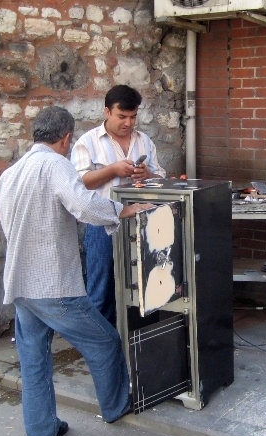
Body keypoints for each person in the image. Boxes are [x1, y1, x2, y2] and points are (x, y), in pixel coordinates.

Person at [0, 106, 153, 436]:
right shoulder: (55, 165)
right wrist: (122, 211)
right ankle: (115, 408)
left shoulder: (12, 172)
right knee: (104, 341)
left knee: (34, 359)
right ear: (66, 138)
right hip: (53, 285)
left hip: (21, 285)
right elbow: (82, 205)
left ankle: (41, 431)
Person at [70, 85, 166, 325]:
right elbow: (79, 183)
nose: (128, 123)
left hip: (142, 222)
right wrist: (112, 170)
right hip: (102, 223)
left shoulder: (144, 141)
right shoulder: (88, 142)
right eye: (122, 116)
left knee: (143, 284)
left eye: (133, 117)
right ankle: (101, 348)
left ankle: (136, 343)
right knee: (101, 287)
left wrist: (148, 175)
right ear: (107, 112)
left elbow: (162, 179)